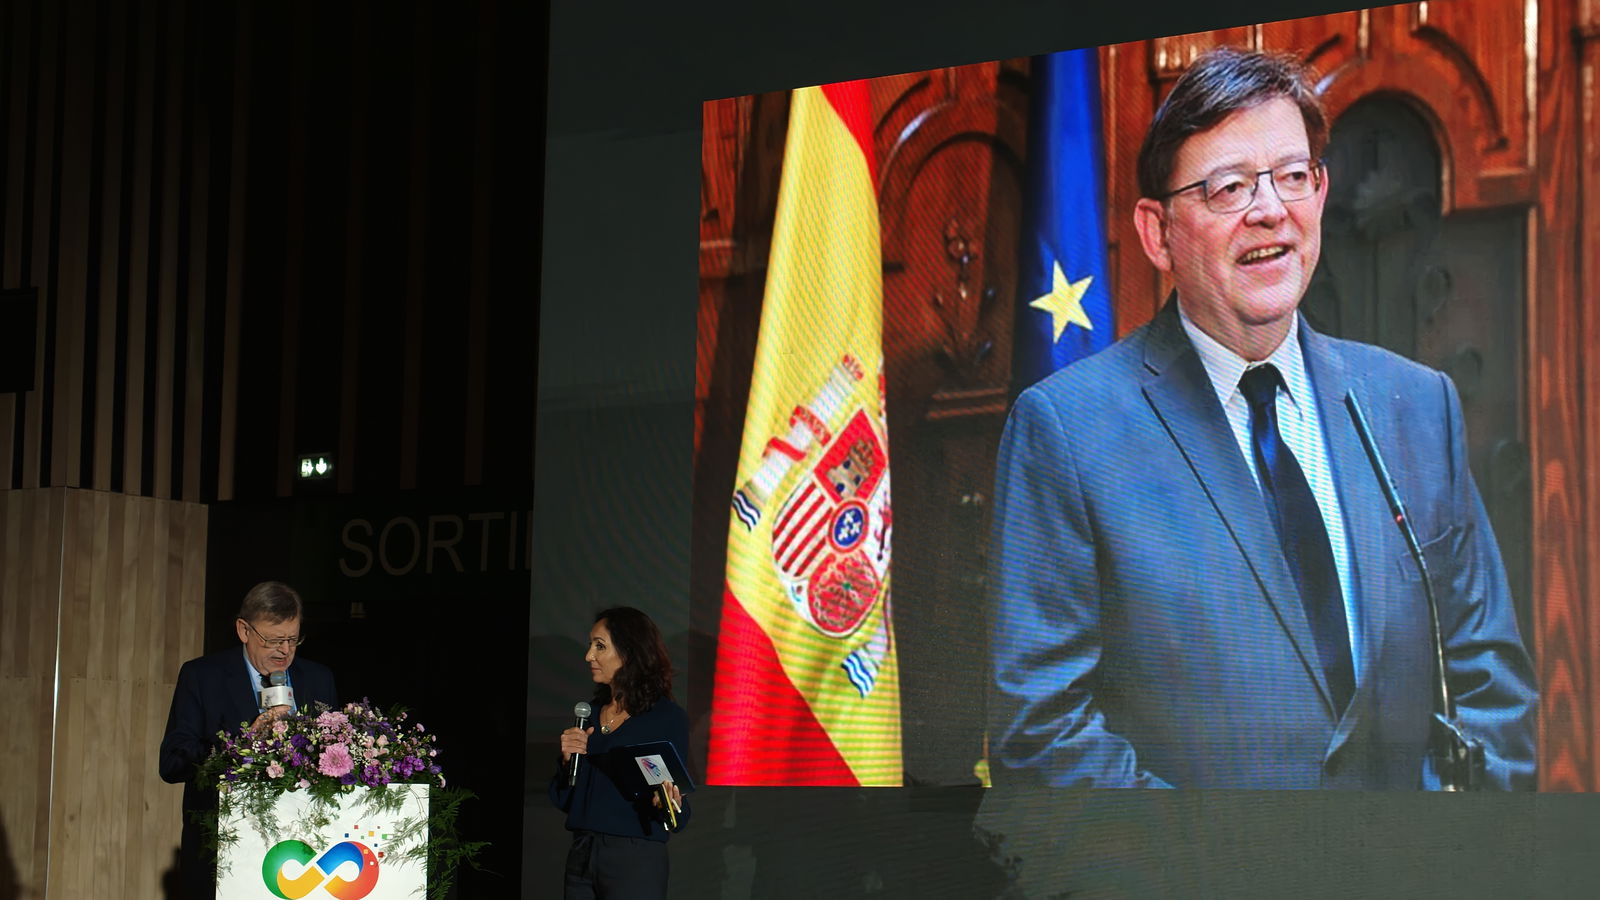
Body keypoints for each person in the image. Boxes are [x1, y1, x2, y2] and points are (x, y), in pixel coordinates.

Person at [987, 47, 1537, 790]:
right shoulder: (1068, 432)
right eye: (1228, 187)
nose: (1270, 209)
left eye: (1292, 176)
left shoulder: (1416, 406)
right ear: (1157, 233)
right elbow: (1044, 741)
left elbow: (1491, 693)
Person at [158, 581, 338, 898]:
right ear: (244, 630)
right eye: (273, 640)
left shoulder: (319, 678)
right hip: (225, 854)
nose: (284, 651)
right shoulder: (202, 676)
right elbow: (172, 763)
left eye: (293, 640)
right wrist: (242, 742)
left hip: (302, 858)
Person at [550, 606, 692, 899]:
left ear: (629, 652)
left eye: (599, 646)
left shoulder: (664, 718)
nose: (589, 656)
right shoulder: (588, 715)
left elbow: (675, 803)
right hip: (582, 853)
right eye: (591, 645)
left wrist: (669, 801)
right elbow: (566, 798)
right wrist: (567, 762)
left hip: (633, 857)